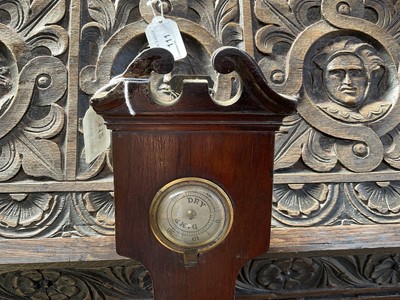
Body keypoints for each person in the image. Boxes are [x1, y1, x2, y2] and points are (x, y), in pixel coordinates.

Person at [312, 37, 391, 122]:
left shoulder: (382, 110)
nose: (348, 82)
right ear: (322, 77)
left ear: (368, 77)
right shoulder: (317, 112)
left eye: (355, 74)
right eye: (337, 74)